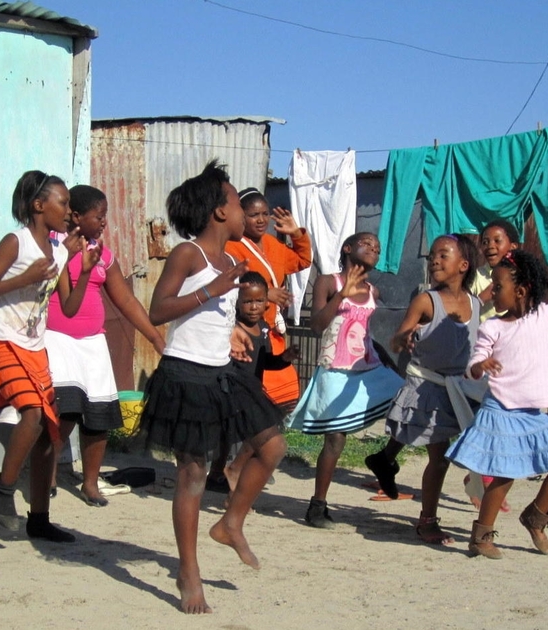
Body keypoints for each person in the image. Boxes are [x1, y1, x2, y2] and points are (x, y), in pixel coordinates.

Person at [139, 160, 287, 614]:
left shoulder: (230, 260)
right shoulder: (190, 254)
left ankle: (230, 523)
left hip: (222, 372)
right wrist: (212, 290)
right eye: (235, 201)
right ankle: (189, 572)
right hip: (185, 377)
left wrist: (235, 333)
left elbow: (217, 318)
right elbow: (159, 310)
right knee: (193, 474)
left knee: (273, 446)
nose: (245, 210)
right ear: (218, 213)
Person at [446, 245, 548, 559]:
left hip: (533, 414)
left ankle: (535, 516)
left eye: (498, 287)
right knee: (504, 473)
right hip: (500, 409)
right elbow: (472, 365)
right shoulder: (491, 327)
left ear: (521, 290)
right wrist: (479, 366)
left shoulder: (546, 316)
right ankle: (481, 536)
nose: (492, 293)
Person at [0, 170, 99, 542]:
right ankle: (4, 489)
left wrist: (85, 274)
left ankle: (39, 520)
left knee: (48, 434)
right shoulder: (16, 242)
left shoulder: (59, 251)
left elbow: (70, 308)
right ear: (39, 205)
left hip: (33, 349)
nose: (69, 210)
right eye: (63, 202)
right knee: (31, 411)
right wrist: (24, 278)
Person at [46, 184, 165, 506]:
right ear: (76, 216)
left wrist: (154, 336)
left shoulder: (103, 254)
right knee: (63, 412)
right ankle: (49, 475)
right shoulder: (54, 246)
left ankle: (90, 483)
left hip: (93, 343)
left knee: (97, 415)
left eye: (105, 216)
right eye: (98, 216)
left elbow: (124, 299)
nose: (104, 223)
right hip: (58, 340)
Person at [364, 234, 480, 545]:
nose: (434, 260)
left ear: (463, 266)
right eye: (432, 255)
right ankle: (427, 521)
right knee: (438, 457)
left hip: (459, 388)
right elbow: (397, 336)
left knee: (416, 432)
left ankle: (384, 459)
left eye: (443, 255)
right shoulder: (426, 300)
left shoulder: (476, 304)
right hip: (427, 384)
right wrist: (403, 339)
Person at [286, 232, 404, 529]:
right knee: (336, 439)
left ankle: (384, 460)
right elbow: (316, 326)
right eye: (367, 244)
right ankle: (317, 506)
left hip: (369, 367)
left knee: (410, 407)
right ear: (348, 248)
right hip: (336, 370)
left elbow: (366, 331)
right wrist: (342, 294)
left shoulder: (373, 291)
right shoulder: (329, 281)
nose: (374, 249)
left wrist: (385, 358)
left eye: (378, 247)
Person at [206, 189, 310, 492]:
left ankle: (241, 466)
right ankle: (226, 468)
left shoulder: (275, 247)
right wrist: (266, 296)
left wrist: (297, 233)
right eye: (253, 214)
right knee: (247, 407)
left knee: (275, 403)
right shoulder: (234, 248)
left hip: (271, 336)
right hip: (245, 333)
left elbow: (302, 260)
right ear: (241, 216)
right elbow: (231, 284)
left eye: (265, 214)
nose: (261, 219)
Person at [464, 219, 521, 511]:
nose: (490, 246)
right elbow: (468, 306)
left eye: (497, 240)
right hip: (484, 356)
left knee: (505, 423)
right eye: (485, 241)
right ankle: (484, 480)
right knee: (487, 420)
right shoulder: (477, 276)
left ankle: (478, 479)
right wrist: (483, 297)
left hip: (512, 357)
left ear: (513, 245)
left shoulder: (523, 276)